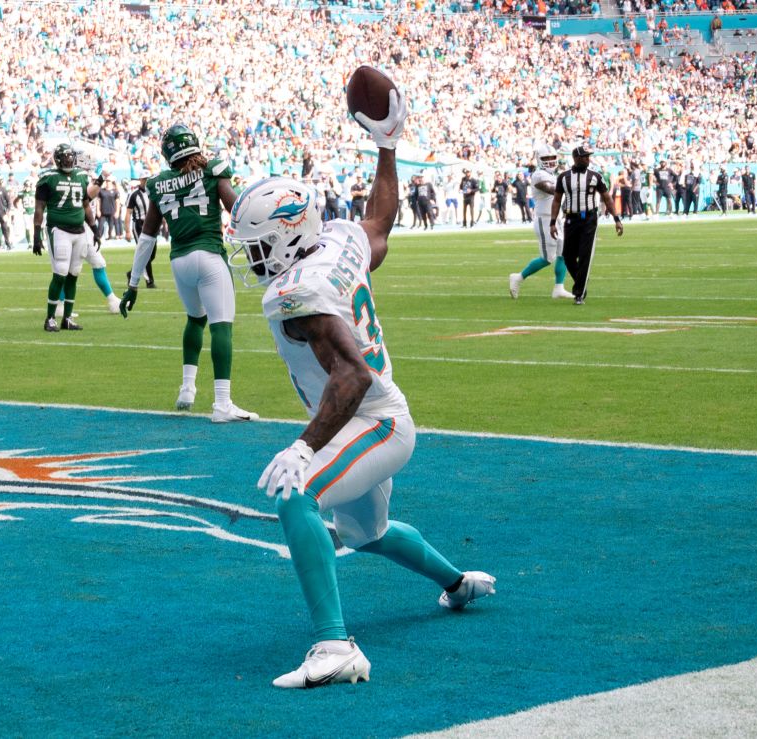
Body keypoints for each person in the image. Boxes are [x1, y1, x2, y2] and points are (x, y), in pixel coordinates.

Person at [226, 88, 494, 689]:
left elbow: (351, 376)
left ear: (287, 238)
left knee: (296, 494)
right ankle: (457, 583)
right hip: (374, 415)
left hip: (373, 419)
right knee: (368, 533)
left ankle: (334, 645)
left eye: (257, 245)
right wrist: (387, 147)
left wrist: (302, 447)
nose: (251, 257)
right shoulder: (340, 240)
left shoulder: (296, 294)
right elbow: (381, 220)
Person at [119, 123, 257, 423]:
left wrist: (133, 284)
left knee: (196, 319)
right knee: (222, 326)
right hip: (208, 254)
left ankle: (187, 388)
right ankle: (222, 404)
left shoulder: (158, 182)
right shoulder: (213, 170)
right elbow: (236, 209)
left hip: (179, 261)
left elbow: (147, 237)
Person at [32, 143, 117, 332]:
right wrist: (36, 235)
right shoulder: (48, 178)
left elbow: (86, 205)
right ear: (58, 159)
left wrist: (94, 229)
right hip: (59, 230)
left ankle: (68, 318)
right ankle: (51, 318)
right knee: (60, 273)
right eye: (66, 157)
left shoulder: (80, 176)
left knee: (73, 275)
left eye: (71, 157)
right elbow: (39, 208)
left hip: (79, 231)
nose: (69, 160)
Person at [549, 145, 624, 305]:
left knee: (585, 255)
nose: (587, 159)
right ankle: (581, 281)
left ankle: (579, 294)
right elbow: (556, 200)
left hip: (589, 219)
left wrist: (616, 218)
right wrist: (552, 222)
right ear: (576, 158)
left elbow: (607, 197)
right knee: (568, 256)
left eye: (588, 157)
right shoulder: (563, 177)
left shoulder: (595, 176)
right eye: (584, 157)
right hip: (570, 218)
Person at [509, 145, 573, 300]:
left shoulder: (555, 175)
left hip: (556, 219)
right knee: (547, 258)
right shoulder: (539, 175)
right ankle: (518, 277)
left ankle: (559, 287)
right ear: (539, 159)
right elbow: (553, 190)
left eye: (552, 158)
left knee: (563, 253)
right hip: (544, 219)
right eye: (546, 158)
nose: (550, 161)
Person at [124, 174, 154, 287]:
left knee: (151, 254)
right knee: (144, 251)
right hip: (139, 225)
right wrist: (127, 230)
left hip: (151, 224)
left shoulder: (152, 192)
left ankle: (131, 273)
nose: (146, 181)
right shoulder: (134, 195)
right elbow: (128, 212)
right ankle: (149, 281)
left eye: (148, 179)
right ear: (140, 180)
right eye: (145, 179)